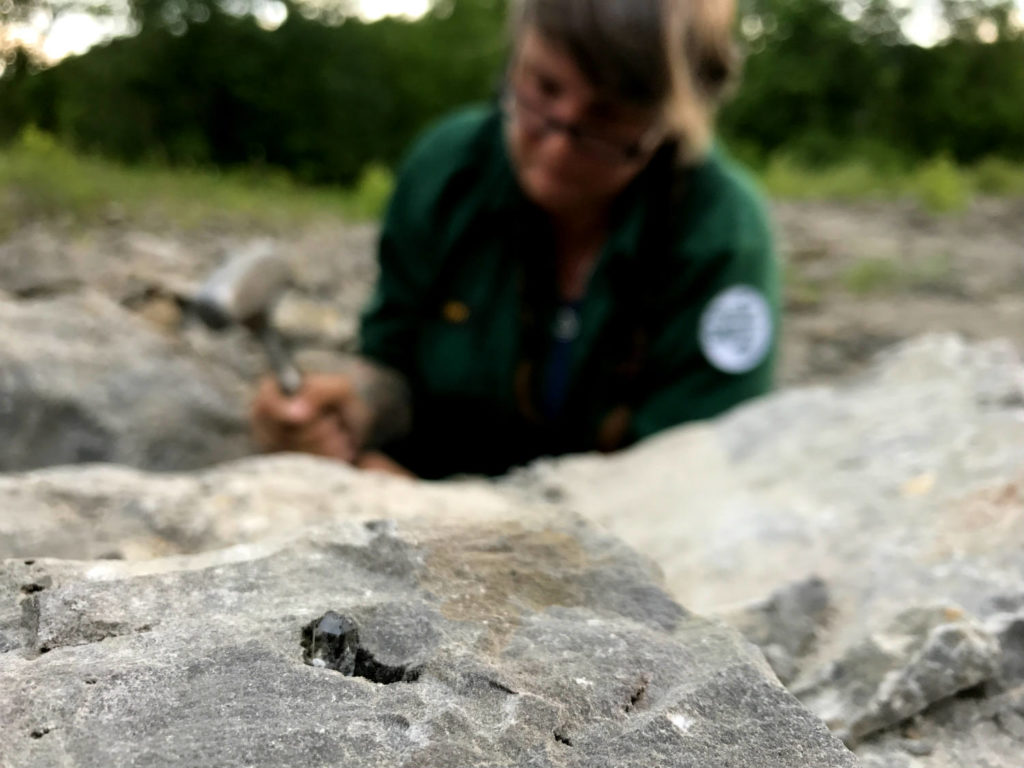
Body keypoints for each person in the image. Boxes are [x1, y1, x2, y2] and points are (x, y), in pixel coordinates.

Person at [251, 0, 779, 479]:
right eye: (543, 89)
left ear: (673, 122)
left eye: (607, 119)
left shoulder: (721, 234)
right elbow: (394, 359)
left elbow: (694, 474)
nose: (554, 147)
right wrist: (353, 409)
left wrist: (444, 514)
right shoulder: (449, 169)